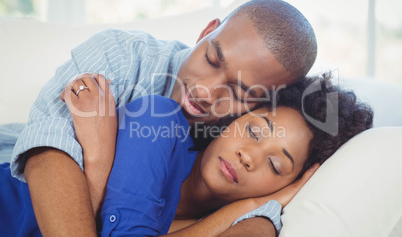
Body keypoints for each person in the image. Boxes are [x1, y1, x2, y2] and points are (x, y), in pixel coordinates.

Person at [9, 0, 318, 236]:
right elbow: (46, 154)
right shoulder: (123, 56)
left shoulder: (244, 150)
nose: (205, 93)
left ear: (262, 104)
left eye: (239, 92)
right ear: (207, 31)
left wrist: (99, 153)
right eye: (212, 60)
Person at [0, 72, 373, 236]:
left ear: (293, 184)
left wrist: (254, 208)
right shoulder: (159, 123)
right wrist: (245, 205)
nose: (249, 156)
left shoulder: (252, 223)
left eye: (275, 165)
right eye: (254, 131)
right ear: (234, 119)